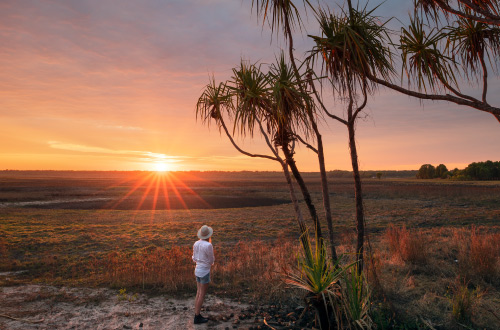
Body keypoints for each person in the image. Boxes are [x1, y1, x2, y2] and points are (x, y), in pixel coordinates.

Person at [192, 225, 214, 324]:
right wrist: (210, 263)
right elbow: (211, 260)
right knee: (202, 294)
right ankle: (197, 317)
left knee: (198, 292)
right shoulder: (208, 245)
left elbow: (194, 258)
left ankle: (197, 314)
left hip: (197, 270)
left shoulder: (196, 243)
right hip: (204, 271)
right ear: (208, 235)